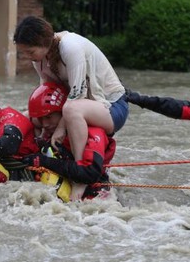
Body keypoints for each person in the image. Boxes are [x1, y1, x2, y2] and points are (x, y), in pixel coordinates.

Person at [13, 15, 128, 166]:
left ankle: (80, 170)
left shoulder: (70, 47)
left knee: (71, 109)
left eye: (31, 52)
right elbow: (48, 94)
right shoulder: (39, 59)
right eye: (24, 53)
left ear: (43, 42)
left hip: (112, 107)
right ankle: (18, 158)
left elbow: (77, 96)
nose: (28, 57)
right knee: (30, 115)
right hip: (79, 106)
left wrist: (60, 129)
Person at [21, 81, 116, 202]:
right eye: (41, 119)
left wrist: (43, 161)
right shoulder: (48, 130)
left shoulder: (93, 133)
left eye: (48, 117)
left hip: (92, 193)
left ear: (62, 113)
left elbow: (89, 173)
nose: (45, 124)